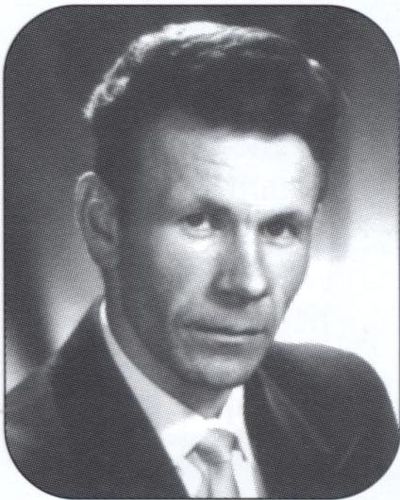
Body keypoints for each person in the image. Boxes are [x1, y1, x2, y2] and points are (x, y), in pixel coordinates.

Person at [6, 21, 399, 499]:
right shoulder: (24, 458)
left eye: (279, 229)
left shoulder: (350, 407)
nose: (248, 282)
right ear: (103, 224)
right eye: (202, 221)